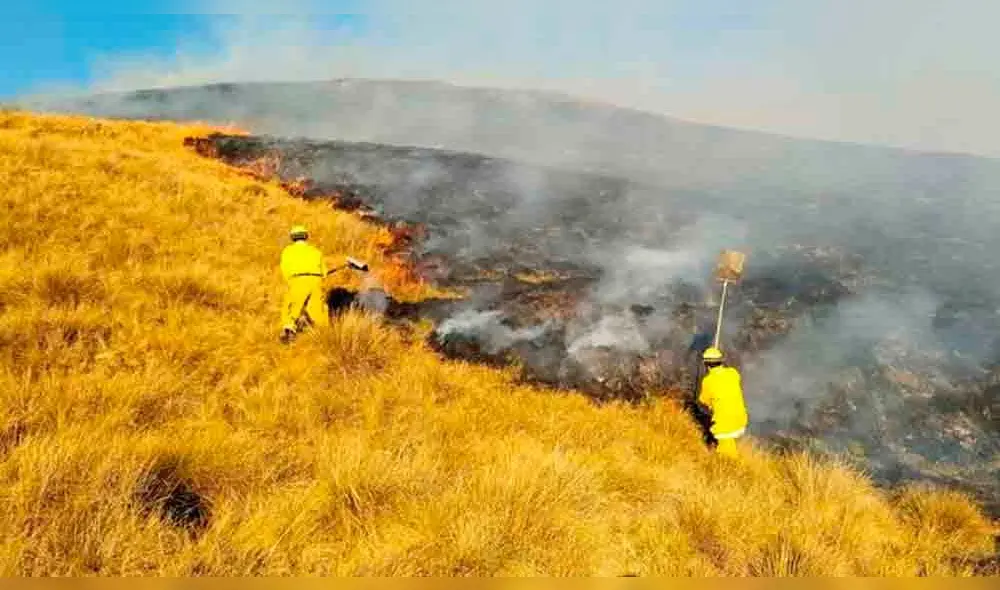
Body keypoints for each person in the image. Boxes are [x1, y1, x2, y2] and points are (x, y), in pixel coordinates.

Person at [279, 225, 329, 343]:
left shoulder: (288, 251)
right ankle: (324, 336)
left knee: (291, 308)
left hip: (298, 280)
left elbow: (285, 270)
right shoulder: (316, 251)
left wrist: (291, 282)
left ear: (292, 237)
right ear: (306, 236)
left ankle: (289, 330)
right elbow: (324, 272)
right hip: (316, 281)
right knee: (317, 310)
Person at [697, 347, 748, 458]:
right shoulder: (733, 373)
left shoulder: (708, 381)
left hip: (725, 424)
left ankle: (732, 469)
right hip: (741, 419)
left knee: (726, 454)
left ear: (706, 364)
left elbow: (703, 401)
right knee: (729, 442)